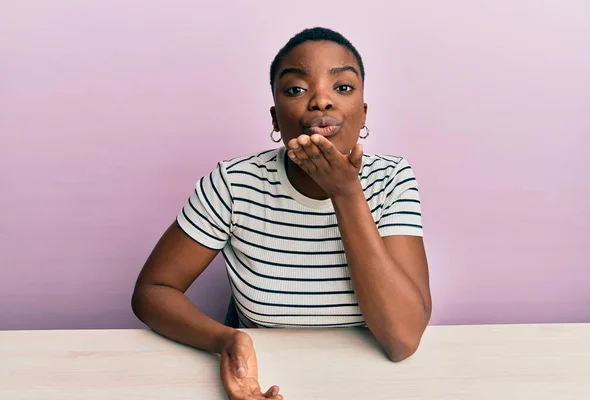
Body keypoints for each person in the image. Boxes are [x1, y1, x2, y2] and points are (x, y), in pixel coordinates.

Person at [132, 27, 432, 400]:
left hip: (368, 380)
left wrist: (346, 193)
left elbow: (402, 340)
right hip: (270, 374)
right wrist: (226, 340)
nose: (321, 101)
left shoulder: (391, 178)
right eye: (296, 89)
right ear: (276, 120)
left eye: (342, 87)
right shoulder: (234, 183)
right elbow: (152, 292)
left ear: (364, 112)